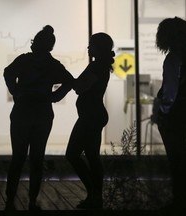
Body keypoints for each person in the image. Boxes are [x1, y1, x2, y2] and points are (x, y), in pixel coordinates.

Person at [3, 25, 74, 211]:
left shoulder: (24, 61)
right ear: (50, 46)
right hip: (43, 113)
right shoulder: (53, 65)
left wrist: (16, 91)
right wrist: (54, 97)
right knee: (37, 158)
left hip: (22, 112)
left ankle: (10, 200)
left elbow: (8, 73)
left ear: (36, 44)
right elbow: (69, 81)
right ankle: (32, 201)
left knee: (18, 158)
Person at [65, 32, 115, 209]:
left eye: (91, 44)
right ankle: (95, 196)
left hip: (90, 116)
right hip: (94, 115)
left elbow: (81, 87)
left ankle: (94, 192)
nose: (88, 47)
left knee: (72, 154)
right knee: (92, 156)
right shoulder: (101, 66)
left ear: (98, 47)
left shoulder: (96, 67)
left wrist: (67, 80)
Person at [155, 17, 186, 212]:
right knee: (182, 156)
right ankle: (184, 198)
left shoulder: (173, 58)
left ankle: (179, 201)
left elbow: (170, 91)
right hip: (185, 110)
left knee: (175, 158)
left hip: (173, 114)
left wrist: (161, 112)